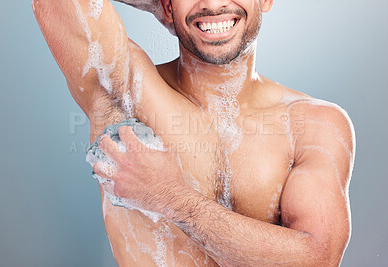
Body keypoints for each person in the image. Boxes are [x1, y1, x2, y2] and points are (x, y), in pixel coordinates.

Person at [33, 0, 356, 266]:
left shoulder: (313, 122)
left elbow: (317, 257)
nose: (214, 4)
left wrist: (171, 198)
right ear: (169, 8)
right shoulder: (124, 90)